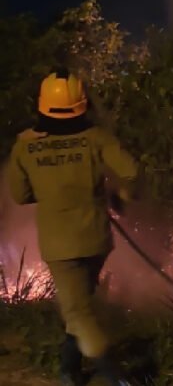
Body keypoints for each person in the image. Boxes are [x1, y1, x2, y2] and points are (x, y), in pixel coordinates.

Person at [6, 69, 137, 385]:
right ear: (81, 103)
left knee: (77, 312)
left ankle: (114, 377)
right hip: (96, 239)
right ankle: (69, 369)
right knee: (79, 303)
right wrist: (120, 198)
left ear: (42, 104)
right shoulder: (96, 138)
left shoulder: (25, 146)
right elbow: (131, 172)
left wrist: (52, 187)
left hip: (60, 245)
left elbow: (20, 195)